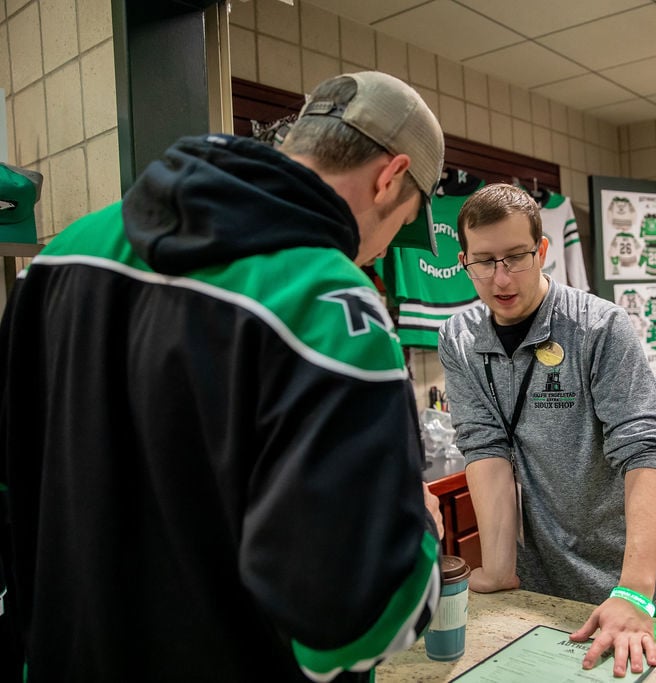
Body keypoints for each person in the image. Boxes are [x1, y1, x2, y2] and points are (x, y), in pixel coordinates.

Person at [0, 71, 446, 682]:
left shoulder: (61, 255)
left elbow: (14, 489)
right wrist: (413, 518)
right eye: (404, 221)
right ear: (390, 177)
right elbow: (353, 618)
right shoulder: (326, 302)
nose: (381, 249)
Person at [437, 184, 656, 678]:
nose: (500, 278)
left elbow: (645, 450)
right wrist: (500, 569)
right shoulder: (458, 338)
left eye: (516, 257)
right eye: (483, 261)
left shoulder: (599, 327)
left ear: (543, 251)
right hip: (534, 575)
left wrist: (633, 591)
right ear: (464, 260)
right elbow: (484, 447)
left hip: (619, 574)